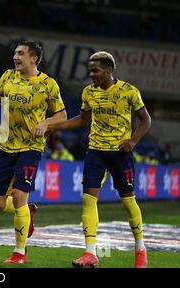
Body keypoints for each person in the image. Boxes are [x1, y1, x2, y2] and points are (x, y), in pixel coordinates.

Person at [35, 51, 151, 268]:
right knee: (88, 199)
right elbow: (82, 120)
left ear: (109, 70)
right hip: (95, 152)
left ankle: (140, 249)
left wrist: (133, 141)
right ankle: (90, 253)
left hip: (120, 153)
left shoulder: (128, 91)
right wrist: (53, 125)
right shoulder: (88, 92)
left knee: (128, 202)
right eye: (90, 71)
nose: (92, 75)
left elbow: (146, 119)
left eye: (95, 71)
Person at [0, 41, 67, 264]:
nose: (15, 57)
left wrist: (46, 123)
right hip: (5, 146)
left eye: (20, 53)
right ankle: (28, 211)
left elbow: (62, 116)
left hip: (31, 148)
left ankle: (19, 252)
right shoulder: (7, 76)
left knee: (18, 196)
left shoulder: (48, 84)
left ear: (34, 58)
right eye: (15, 53)